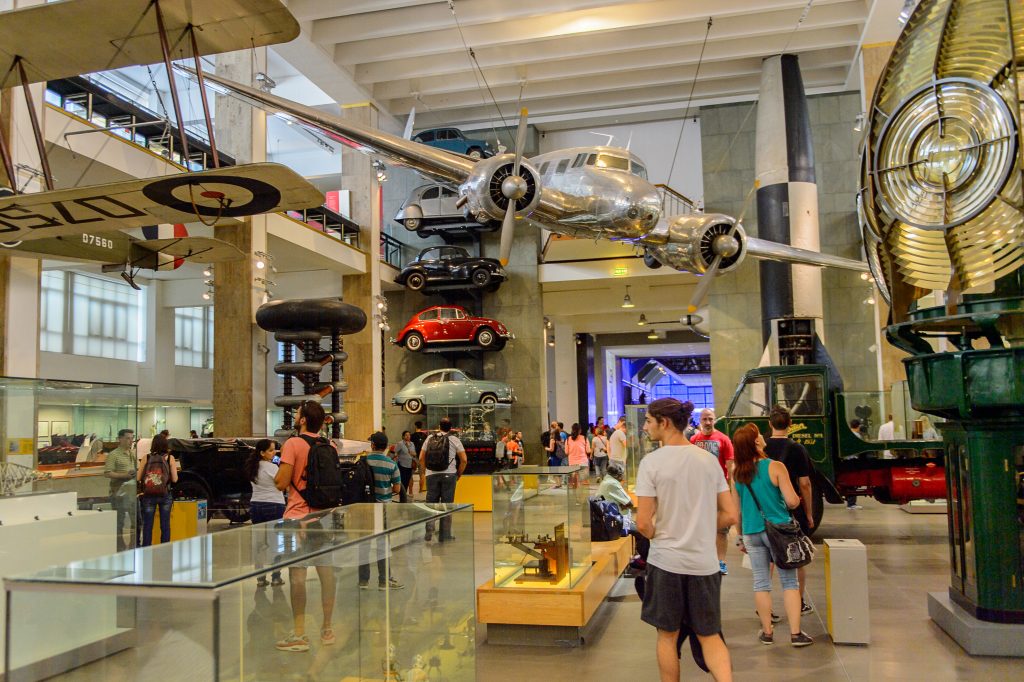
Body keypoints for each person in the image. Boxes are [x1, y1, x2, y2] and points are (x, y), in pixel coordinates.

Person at [636, 398, 736, 682]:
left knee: (667, 637)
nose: (645, 427)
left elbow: (643, 522)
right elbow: (729, 514)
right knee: (710, 635)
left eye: (648, 421)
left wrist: (664, 534)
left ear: (664, 423)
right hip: (705, 564)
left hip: (666, 562)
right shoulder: (708, 461)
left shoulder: (652, 463)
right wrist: (703, 527)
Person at [732, 422, 813, 648]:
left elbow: (735, 510)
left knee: (761, 583)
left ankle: (767, 632)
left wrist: (740, 537)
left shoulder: (736, 473)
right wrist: (797, 499)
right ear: (756, 442)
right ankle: (796, 634)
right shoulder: (775, 467)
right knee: (789, 582)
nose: (763, 436)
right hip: (780, 532)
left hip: (751, 532)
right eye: (759, 434)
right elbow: (791, 501)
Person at [273, 402, 338, 652]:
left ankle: (299, 634)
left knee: (298, 576)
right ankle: (327, 629)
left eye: (297, 413)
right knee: (326, 574)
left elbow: (281, 482)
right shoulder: (329, 445)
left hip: (297, 518)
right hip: (324, 519)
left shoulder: (292, 444)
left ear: (302, 421)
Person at [764, 405, 815, 615]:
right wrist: (809, 513)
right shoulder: (797, 449)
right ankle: (799, 602)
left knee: (766, 562)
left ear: (769, 424)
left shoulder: (761, 447)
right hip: (788, 511)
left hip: (764, 509)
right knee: (797, 558)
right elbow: (805, 484)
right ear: (790, 424)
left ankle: (765, 609)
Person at [690, 408, 735, 574]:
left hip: (718, 491)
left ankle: (721, 561)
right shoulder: (694, 440)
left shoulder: (724, 440)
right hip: (700, 492)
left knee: (720, 529)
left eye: (710, 419)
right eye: (704, 419)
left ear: (714, 420)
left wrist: (730, 492)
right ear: (700, 420)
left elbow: (730, 467)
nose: (708, 422)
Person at [362, 432, 404, 590]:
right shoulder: (391, 464)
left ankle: (363, 581)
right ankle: (383, 580)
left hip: (364, 509)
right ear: (386, 446)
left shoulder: (363, 461)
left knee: (364, 544)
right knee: (383, 545)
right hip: (383, 508)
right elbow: (397, 489)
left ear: (372, 445)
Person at [418, 417, 467, 542]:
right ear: (451, 428)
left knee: (431, 504)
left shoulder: (429, 438)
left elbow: (421, 458)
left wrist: (425, 472)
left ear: (439, 426)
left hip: (431, 475)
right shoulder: (454, 439)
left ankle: (429, 531)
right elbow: (464, 460)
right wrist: (458, 474)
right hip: (449, 475)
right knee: (447, 505)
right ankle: (444, 535)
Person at [246, 438, 285, 588]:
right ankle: (276, 576)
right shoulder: (272, 468)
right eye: (270, 450)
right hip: (274, 505)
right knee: (276, 543)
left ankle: (260, 578)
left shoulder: (253, 467)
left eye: (274, 449)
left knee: (259, 543)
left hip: (256, 505)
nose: (274, 452)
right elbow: (282, 483)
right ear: (262, 453)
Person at [137, 433, 178, 547]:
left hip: (148, 495)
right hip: (165, 495)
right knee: (165, 525)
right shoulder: (170, 458)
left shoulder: (147, 457)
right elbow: (175, 479)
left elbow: (138, 477)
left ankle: (146, 550)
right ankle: (164, 549)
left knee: (148, 525)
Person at [105, 428, 136, 551]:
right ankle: (119, 547)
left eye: (132, 438)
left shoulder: (132, 453)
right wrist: (125, 475)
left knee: (135, 520)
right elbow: (107, 473)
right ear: (120, 439)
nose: (130, 441)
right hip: (118, 493)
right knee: (119, 522)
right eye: (128, 438)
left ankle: (133, 546)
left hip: (131, 492)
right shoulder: (114, 455)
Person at [846, 420, 865, 509]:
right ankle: (851, 503)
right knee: (853, 482)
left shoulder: (848, 434)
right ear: (858, 426)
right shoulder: (857, 436)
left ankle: (850, 502)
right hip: (853, 461)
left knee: (849, 482)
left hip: (847, 460)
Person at [394, 430, 416, 502]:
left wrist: (413, 453)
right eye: (406, 435)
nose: (408, 436)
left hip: (410, 466)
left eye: (409, 435)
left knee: (407, 481)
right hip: (402, 465)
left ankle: (404, 497)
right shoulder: (400, 444)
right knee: (402, 482)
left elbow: (415, 454)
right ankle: (402, 497)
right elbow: (395, 452)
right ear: (403, 436)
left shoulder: (412, 444)